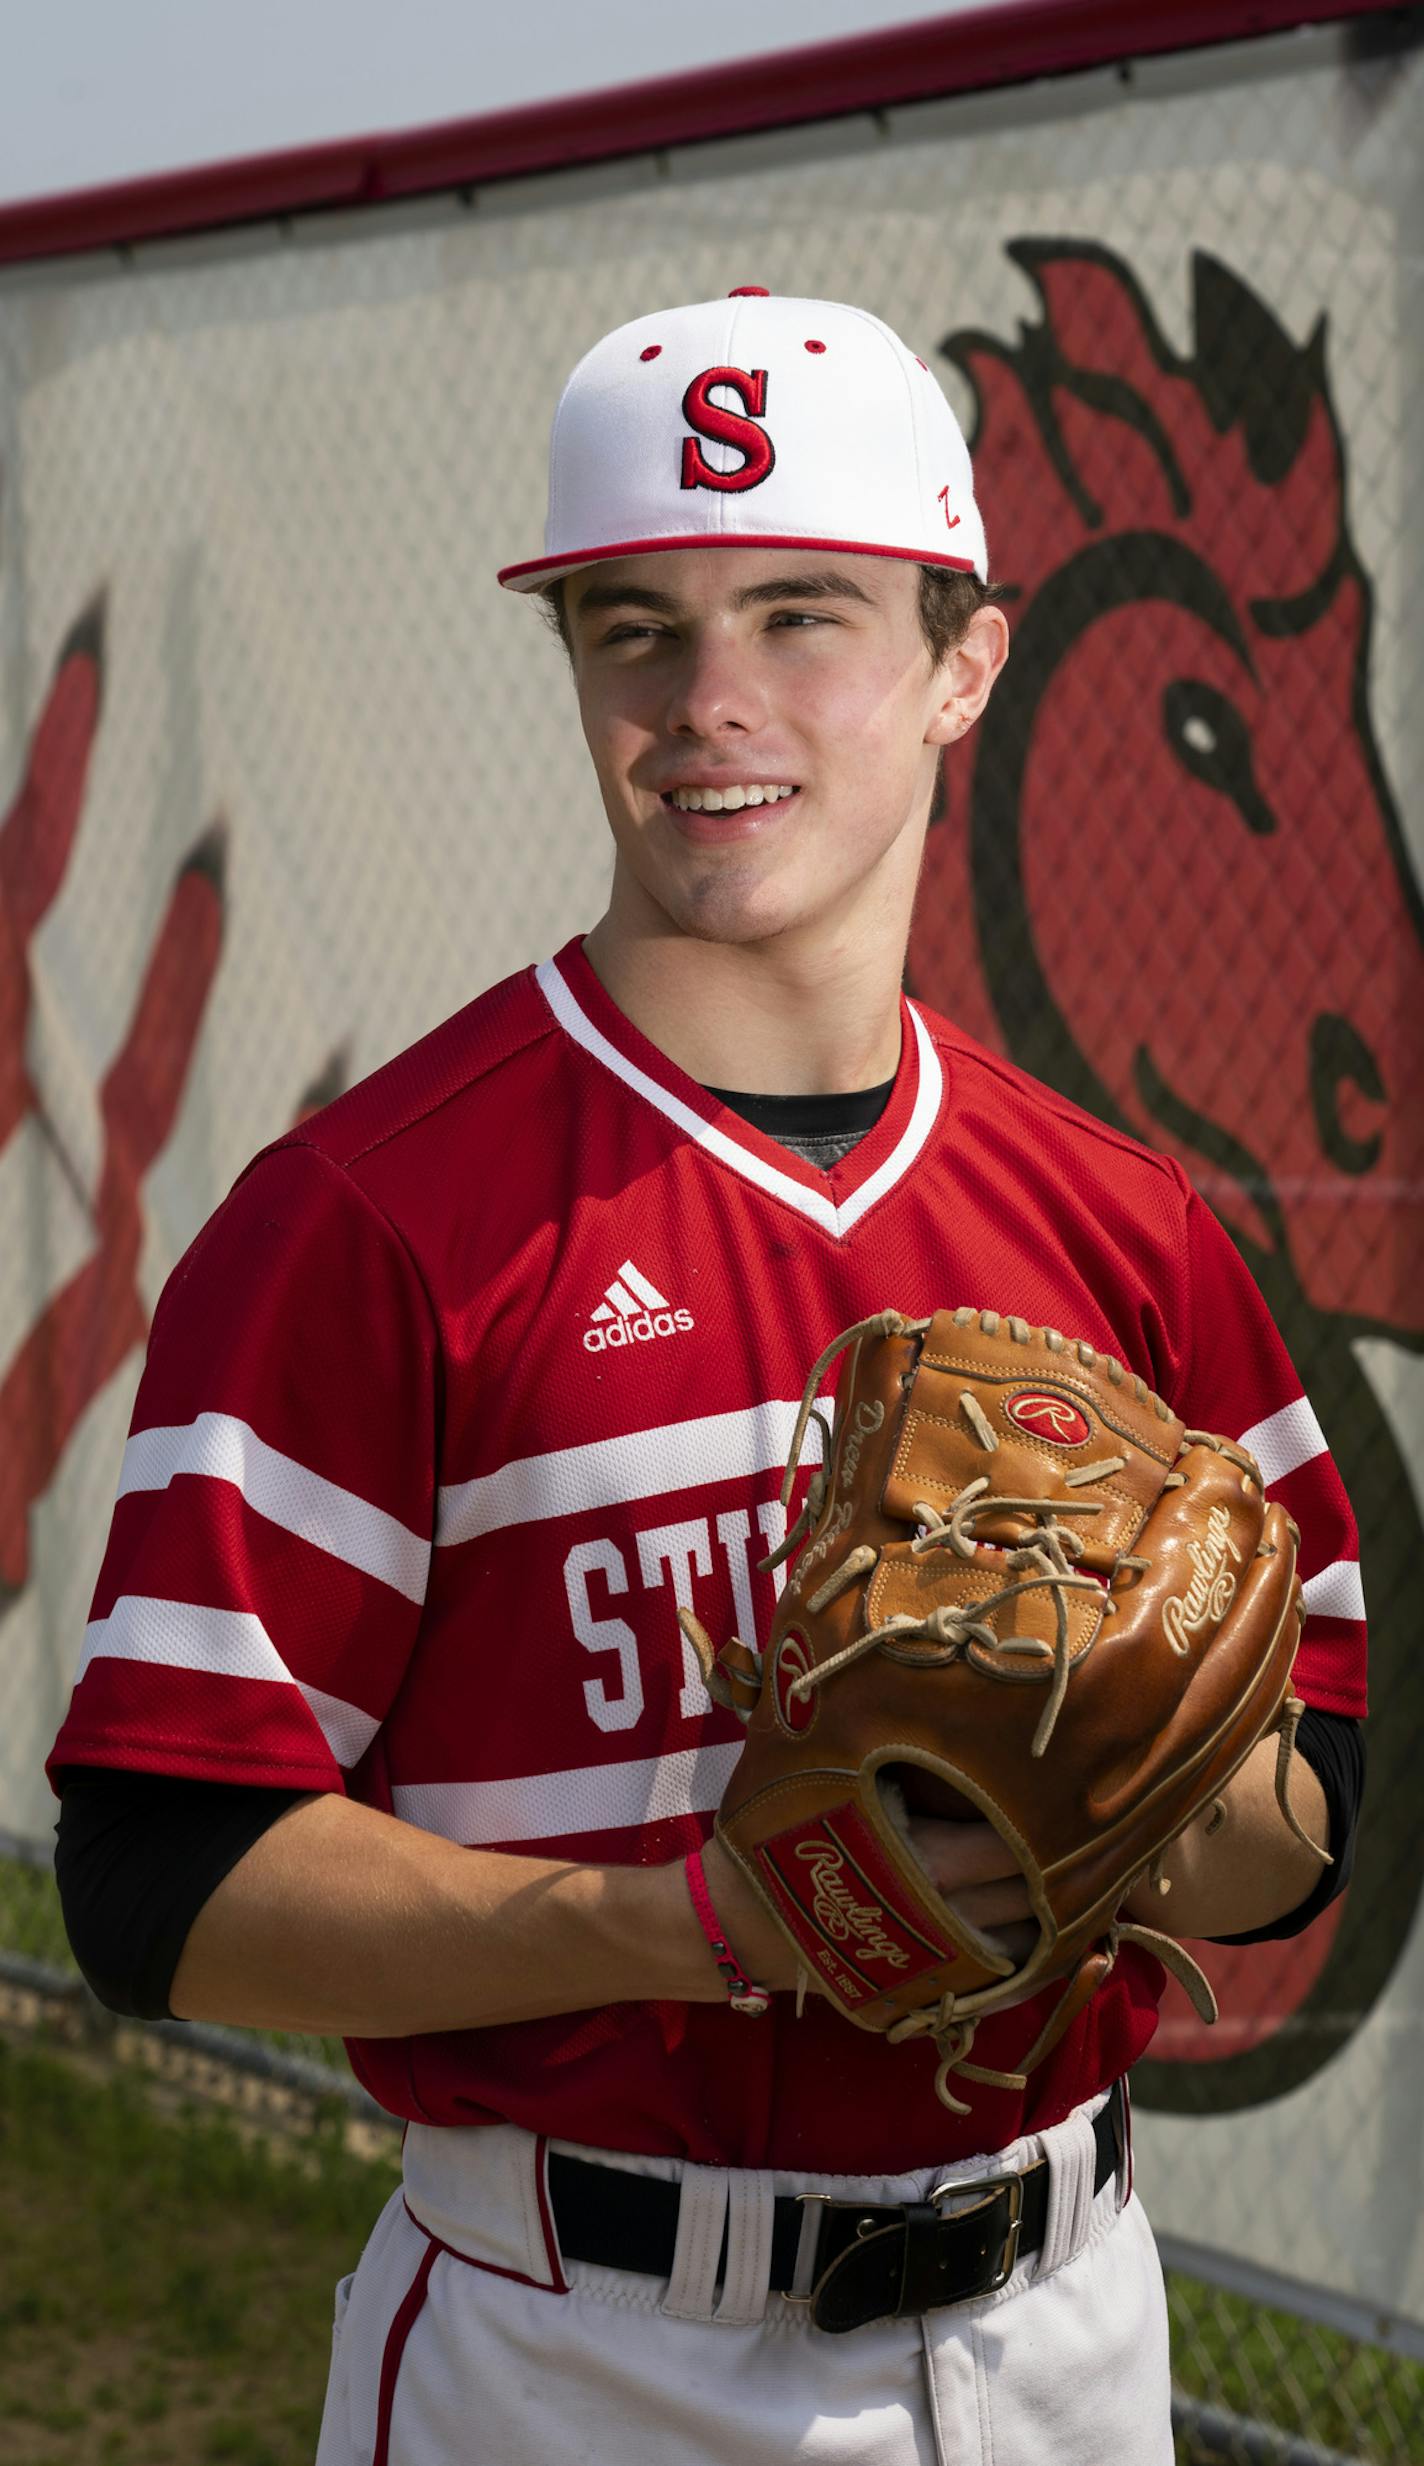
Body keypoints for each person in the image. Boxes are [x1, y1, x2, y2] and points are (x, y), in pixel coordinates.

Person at [48, 288, 1365, 2466]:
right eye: (632, 628)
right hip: (581, 2357)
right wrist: (691, 1924)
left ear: (966, 666)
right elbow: (157, 1883)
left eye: (798, 613)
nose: (706, 705)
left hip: (1066, 2340)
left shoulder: (1129, 1233)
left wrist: (1122, 1790)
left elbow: (1298, 1837)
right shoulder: (374, 1221)